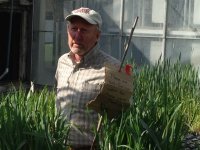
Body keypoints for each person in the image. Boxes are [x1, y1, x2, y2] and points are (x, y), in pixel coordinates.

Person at [55, 7, 120, 150]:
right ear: (68, 31)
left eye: (84, 30)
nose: (77, 36)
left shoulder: (113, 68)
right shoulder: (62, 62)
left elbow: (122, 116)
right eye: (74, 29)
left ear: (97, 35)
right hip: (60, 143)